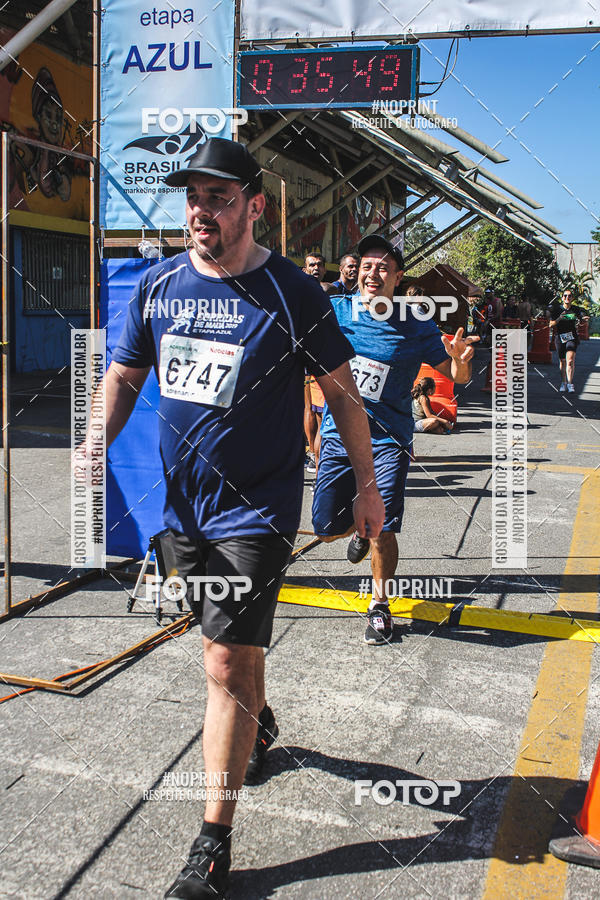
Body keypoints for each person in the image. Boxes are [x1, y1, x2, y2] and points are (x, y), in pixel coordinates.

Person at [84, 138, 385, 899]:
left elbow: (344, 396)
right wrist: (94, 441)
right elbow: (123, 375)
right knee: (225, 647)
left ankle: (211, 844)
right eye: (192, 197)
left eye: (217, 198)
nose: (200, 211)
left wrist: (368, 487)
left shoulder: (293, 293)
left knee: (221, 662)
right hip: (181, 506)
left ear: (255, 205)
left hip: (258, 506)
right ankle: (259, 718)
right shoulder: (158, 287)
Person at [312, 234, 477, 646]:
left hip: (388, 440)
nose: (373, 273)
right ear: (356, 271)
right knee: (325, 528)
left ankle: (380, 605)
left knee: (383, 526)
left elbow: (456, 379)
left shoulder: (415, 323)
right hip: (338, 434)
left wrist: (459, 362)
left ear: (398, 277)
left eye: (383, 267)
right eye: (366, 265)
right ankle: (354, 529)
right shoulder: (334, 311)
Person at [548, 289, 589, 392]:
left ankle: (570, 383)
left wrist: (584, 320)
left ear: (572, 298)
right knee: (562, 361)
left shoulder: (575, 309)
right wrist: (559, 318)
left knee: (570, 360)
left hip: (571, 336)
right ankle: (563, 382)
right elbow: (551, 324)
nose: (567, 297)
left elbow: (581, 321)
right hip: (560, 337)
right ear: (562, 298)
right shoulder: (557, 310)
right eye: (565, 296)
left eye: (569, 296)